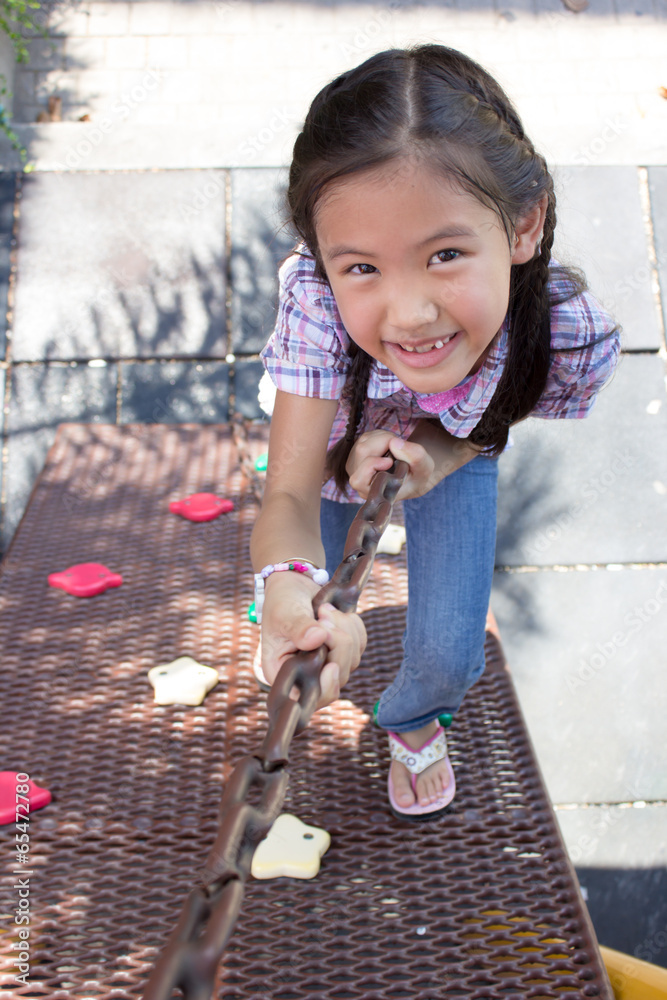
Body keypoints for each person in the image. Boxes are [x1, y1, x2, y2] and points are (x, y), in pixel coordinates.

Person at [250, 44, 620, 820]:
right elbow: (286, 487)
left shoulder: (558, 332)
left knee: (453, 649)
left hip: (458, 443)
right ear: (322, 260)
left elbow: (499, 414)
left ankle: (414, 716)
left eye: (444, 254)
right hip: (331, 452)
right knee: (314, 581)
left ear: (523, 226)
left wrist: (440, 453)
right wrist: (286, 587)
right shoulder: (319, 309)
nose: (410, 313)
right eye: (362, 268)